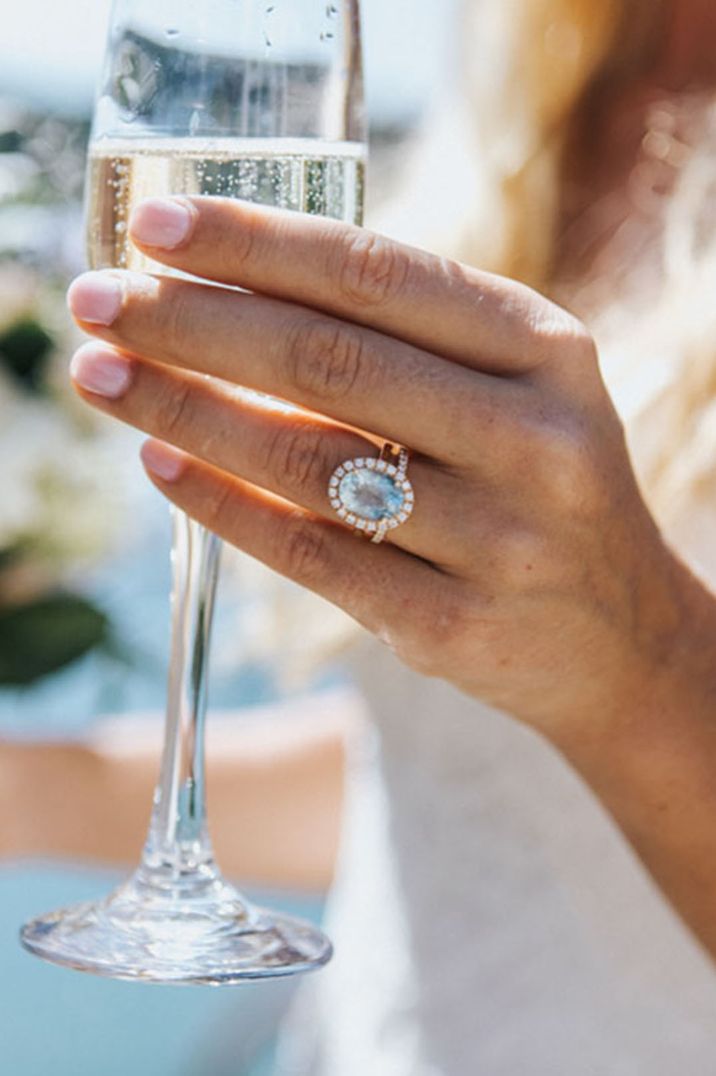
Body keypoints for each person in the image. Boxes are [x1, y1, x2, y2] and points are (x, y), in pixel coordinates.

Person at [9, 0, 716, 1071]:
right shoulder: (529, 108)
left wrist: (644, 660)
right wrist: (23, 790)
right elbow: (458, 771)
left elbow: (614, 712)